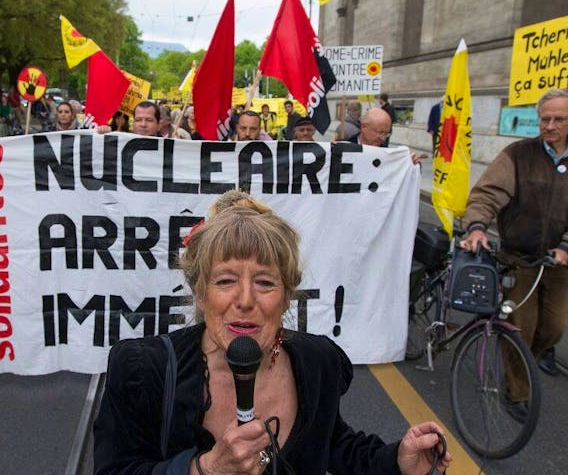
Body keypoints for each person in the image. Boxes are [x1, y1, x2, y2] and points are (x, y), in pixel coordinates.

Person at [93, 191, 452, 474]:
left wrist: (396, 462)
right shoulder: (145, 370)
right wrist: (205, 469)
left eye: (265, 282)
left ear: (286, 297)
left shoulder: (317, 362)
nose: (245, 300)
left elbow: (331, 444)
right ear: (201, 294)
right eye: (225, 281)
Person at [460, 88, 568, 421]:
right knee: (520, 329)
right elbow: (487, 194)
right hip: (519, 260)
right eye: (544, 118)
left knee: (554, 328)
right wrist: (478, 227)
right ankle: (518, 391)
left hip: (559, 262)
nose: (550, 125)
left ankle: (524, 363)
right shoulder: (517, 154)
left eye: (558, 119)